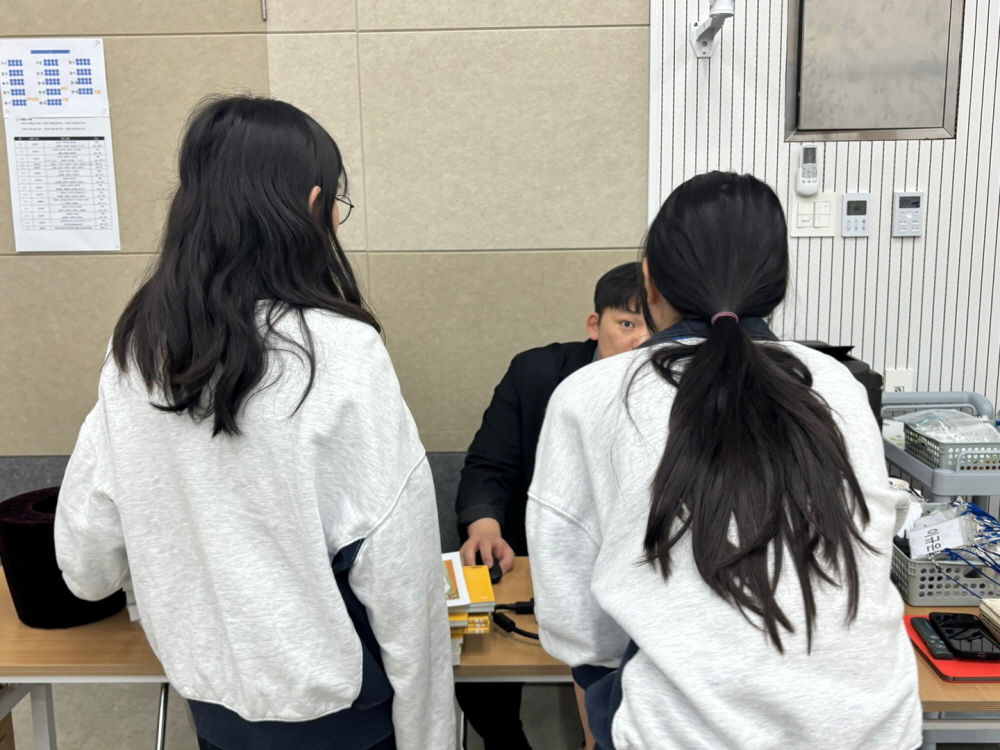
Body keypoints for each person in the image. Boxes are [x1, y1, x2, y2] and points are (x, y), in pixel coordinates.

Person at [53, 96, 454, 750]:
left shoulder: (137, 353)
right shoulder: (341, 350)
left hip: (213, 707)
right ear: (313, 204)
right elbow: (401, 574)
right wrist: (427, 738)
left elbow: (85, 565)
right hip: (342, 716)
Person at [526, 172, 922, 750]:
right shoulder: (835, 383)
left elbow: (578, 624)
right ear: (777, 283)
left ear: (649, 282)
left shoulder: (594, 393)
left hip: (681, 733)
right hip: (873, 727)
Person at [455, 262, 649, 750]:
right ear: (595, 324)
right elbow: (489, 465)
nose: (640, 342)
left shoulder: (674, 385)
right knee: (477, 679)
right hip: (534, 555)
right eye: (626, 323)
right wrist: (484, 526)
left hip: (638, 567)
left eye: (653, 327)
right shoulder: (537, 373)